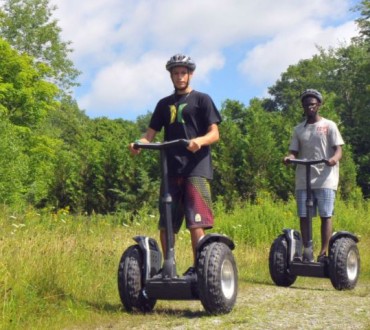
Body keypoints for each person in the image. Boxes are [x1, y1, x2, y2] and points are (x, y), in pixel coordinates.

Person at [129, 54, 221, 276]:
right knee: (167, 223)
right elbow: (150, 135)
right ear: (170, 76)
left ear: (191, 74)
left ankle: (200, 269)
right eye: (175, 73)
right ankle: (168, 268)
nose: (179, 77)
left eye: (183, 73)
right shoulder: (164, 104)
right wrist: (138, 144)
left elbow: (214, 134)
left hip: (196, 168)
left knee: (195, 222)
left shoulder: (202, 99)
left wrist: (199, 141)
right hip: (170, 168)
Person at [283, 89, 344, 262]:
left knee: (325, 215)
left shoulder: (329, 125)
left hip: (325, 178)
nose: (309, 107)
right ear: (302, 106)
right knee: (304, 215)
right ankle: (307, 249)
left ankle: (324, 252)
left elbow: (338, 149)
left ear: (318, 105)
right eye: (306, 104)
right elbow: (293, 152)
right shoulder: (298, 129)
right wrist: (289, 158)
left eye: (312, 104)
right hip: (304, 179)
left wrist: (333, 159)